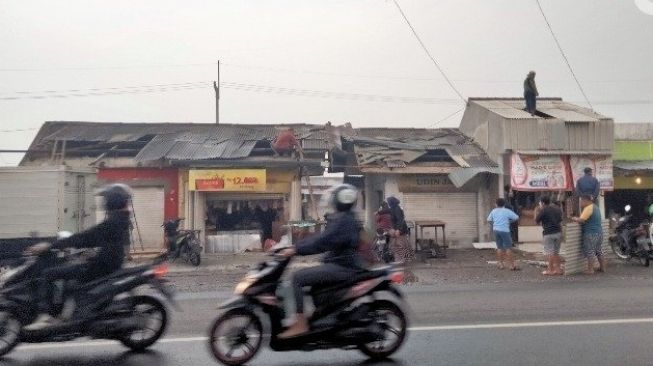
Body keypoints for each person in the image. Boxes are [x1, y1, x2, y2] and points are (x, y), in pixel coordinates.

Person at [26, 183, 132, 329]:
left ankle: (45, 315)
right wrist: (92, 253)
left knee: (47, 274)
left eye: (106, 199)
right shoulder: (121, 220)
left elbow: (83, 238)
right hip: (106, 264)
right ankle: (68, 314)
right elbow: (102, 242)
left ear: (111, 202)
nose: (104, 202)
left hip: (99, 268)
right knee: (69, 280)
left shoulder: (113, 222)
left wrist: (49, 246)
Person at [277, 184, 364, 338]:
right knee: (312, 284)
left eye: (333, 200)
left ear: (339, 201)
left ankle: (301, 323)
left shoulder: (343, 221)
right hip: (341, 264)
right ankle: (320, 317)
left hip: (343, 267)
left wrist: (296, 250)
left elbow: (322, 242)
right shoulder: (345, 218)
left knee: (297, 278)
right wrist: (295, 246)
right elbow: (319, 239)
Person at [572, 195, 605, 275]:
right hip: (599, 232)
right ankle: (602, 267)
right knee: (599, 251)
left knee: (590, 251)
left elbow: (582, 220)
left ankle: (590, 270)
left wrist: (574, 218)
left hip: (591, 233)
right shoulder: (596, 207)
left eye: (581, 201)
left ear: (585, 200)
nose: (580, 203)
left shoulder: (588, 208)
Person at [488, 198, 520, 270]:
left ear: (496, 204)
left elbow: (489, 220)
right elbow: (517, 217)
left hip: (496, 230)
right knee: (508, 248)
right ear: (504, 204)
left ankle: (501, 264)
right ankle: (512, 265)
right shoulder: (507, 211)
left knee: (499, 247)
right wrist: (510, 222)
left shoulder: (493, 211)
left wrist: (494, 225)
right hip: (505, 230)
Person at [535, 196, 563, 275]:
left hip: (548, 233)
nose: (540, 204)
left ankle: (550, 270)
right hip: (558, 233)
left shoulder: (543, 210)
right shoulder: (557, 209)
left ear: (543, 203)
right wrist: (561, 233)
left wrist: (536, 211)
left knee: (550, 252)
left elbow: (536, 221)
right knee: (556, 253)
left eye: (540, 203)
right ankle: (558, 270)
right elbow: (560, 222)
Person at [386, 196, 414, 263]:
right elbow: (386, 211)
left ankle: (402, 259)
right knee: (398, 245)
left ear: (391, 202)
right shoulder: (393, 208)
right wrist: (378, 212)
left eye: (388, 202)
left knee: (400, 245)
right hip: (396, 229)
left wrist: (398, 229)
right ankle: (402, 259)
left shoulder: (397, 209)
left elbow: (400, 220)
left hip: (400, 230)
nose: (388, 203)